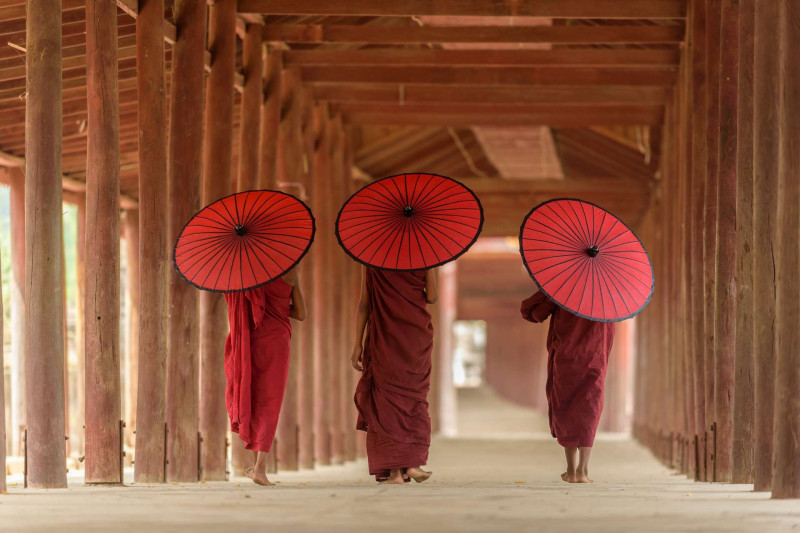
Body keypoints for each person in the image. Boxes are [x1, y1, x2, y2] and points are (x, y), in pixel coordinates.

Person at [351, 266, 438, 484]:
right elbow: (433, 297)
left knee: (386, 400)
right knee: (414, 399)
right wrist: (431, 268)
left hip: (385, 338)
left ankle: (395, 473)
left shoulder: (371, 261)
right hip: (416, 337)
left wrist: (357, 345)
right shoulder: (423, 259)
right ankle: (412, 464)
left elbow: (364, 304)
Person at [520, 288, 615, 484]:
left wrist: (552, 296)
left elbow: (531, 313)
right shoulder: (609, 291)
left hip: (567, 355)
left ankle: (571, 470)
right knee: (590, 407)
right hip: (595, 358)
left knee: (566, 406)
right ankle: (583, 470)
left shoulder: (564, 286)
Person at [224, 266, 306, 486]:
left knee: (252, 395)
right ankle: (260, 468)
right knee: (270, 401)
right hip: (275, 340)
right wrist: (276, 308)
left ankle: (255, 466)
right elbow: (301, 313)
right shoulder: (290, 273)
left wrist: (261, 305)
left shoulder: (245, 272)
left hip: (250, 339)